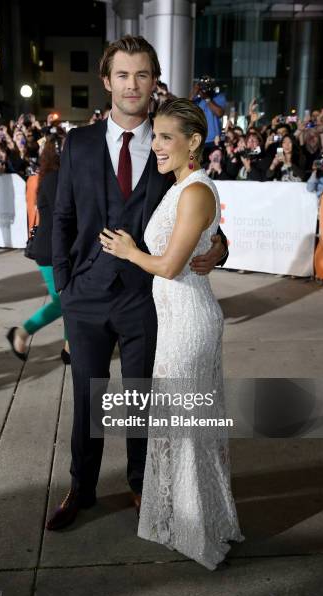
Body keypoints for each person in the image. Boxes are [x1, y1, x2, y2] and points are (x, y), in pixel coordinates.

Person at [47, 35, 229, 531]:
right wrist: (65, 294)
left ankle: (141, 484)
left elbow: (197, 207)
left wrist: (220, 247)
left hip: (148, 299)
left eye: (142, 75)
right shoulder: (78, 143)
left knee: (143, 401)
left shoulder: (167, 140)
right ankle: (80, 488)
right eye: (123, 75)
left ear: (154, 82)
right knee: (89, 400)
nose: (132, 85)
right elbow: (61, 218)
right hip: (84, 298)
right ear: (107, 81)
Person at [99, 98, 244, 570]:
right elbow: (202, 242)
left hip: (190, 324)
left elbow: (169, 264)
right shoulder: (180, 185)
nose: (156, 146)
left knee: (186, 426)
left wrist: (128, 251)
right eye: (155, 136)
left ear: (194, 141)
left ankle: (198, 526)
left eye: (166, 137)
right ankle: (191, 518)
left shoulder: (195, 190)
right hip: (177, 322)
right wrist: (217, 245)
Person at [6, 135, 70, 364]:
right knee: (63, 302)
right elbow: (61, 216)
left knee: (68, 300)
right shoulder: (54, 178)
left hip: (56, 248)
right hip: (51, 249)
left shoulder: (54, 176)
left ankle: (69, 348)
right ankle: (21, 333)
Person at [191, 75, 226, 157]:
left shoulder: (218, 97)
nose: (205, 87)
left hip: (214, 140)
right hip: (198, 141)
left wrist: (207, 98)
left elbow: (219, 113)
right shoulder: (197, 100)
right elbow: (185, 108)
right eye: (202, 85)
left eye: (207, 84)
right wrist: (194, 93)